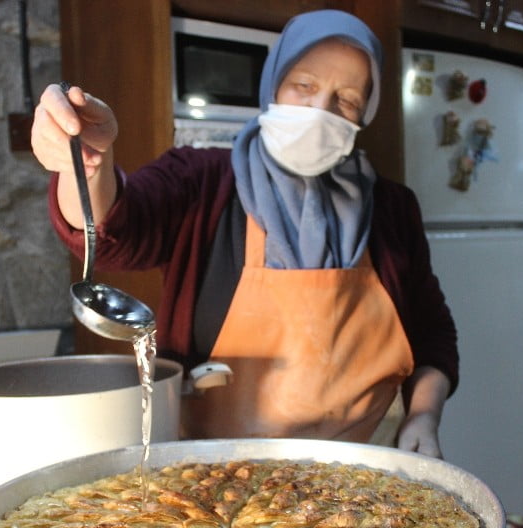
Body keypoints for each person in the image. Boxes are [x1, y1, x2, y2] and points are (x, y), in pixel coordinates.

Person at [30, 9, 457, 458]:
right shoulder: (200, 181)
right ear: (272, 83)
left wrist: (423, 417)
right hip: (215, 481)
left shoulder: (392, 209)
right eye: (304, 86)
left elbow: (433, 333)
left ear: (364, 114)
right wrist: (87, 163)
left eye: (346, 99)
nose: (319, 110)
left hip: (362, 475)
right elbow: (119, 229)